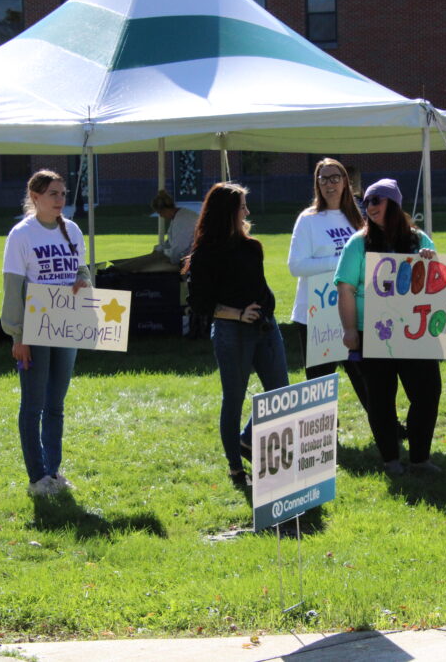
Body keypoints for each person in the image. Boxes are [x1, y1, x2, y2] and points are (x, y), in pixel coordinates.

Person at [334, 179, 442, 475]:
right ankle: (390, 459)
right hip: (372, 332)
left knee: (427, 392)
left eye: (377, 200)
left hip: (415, 331)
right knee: (381, 397)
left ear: (394, 204)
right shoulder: (358, 243)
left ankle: (420, 458)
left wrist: (430, 262)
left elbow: (439, 283)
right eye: (367, 201)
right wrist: (350, 329)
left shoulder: (419, 240)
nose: (370, 207)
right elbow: (345, 290)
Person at [186, 182, 289, 486]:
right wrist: (237, 313)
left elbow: (257, 283)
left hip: (266, 327)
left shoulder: (251, 246)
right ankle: (235, 467)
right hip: (233, 332)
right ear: (228, 212)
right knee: (234, 398)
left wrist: (264, 308)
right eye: (243, 206)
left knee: (280, 391)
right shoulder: (205, 254)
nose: (247, 211)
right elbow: (200, 304)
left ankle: (247, 439)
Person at [1, 169, 91, 496]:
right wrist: (18, 336)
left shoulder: (73, 230)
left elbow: (81, 269)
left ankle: (54, 472)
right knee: (34, 404)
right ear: (35, 198)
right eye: (53, 194)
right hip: (34, 329)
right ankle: (37, 477)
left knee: (56, 404)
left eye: (63, 194)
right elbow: (13, 289)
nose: (60, 200)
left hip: (66, 325)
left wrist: (85, 281)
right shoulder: (21, 235)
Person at [288, 159, 368, 407]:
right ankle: (321, 433)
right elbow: (296, 266)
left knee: (365, 375)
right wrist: (342, 261)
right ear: (317, 184)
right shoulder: (308, 219)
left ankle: (387, 426)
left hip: (352, 311)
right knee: (319, 382)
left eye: (335, 178)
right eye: (323, 179)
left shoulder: (357, 215)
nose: (329, 184)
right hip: (315, 314)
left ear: (346, 182)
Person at [108, 189, 198, 272]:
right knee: (146, 259)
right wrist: (159, 249)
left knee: (145, 262)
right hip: (182, 257)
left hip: (187, 260)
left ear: (165, 210)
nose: (161, 216)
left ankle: (116, 268)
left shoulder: (183, 220)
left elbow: (178, 250)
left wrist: (163, 254)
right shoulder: (180, 217)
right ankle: (117, 266)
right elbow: (171, 243)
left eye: (160, 213)